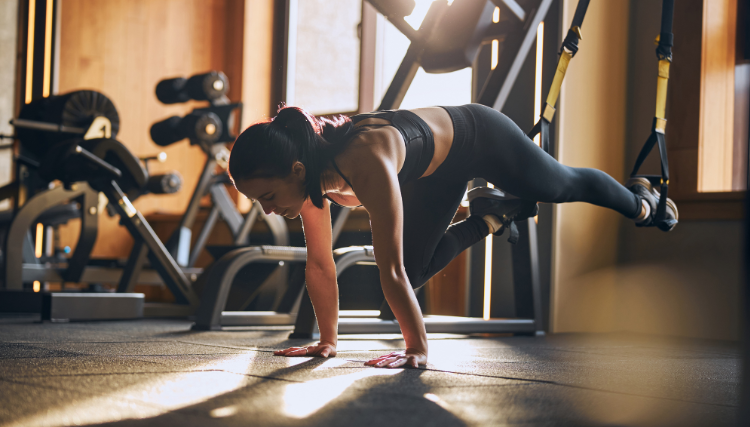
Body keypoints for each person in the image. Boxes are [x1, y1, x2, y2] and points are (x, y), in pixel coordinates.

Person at [227, 104, 677, 369]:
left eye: (267, 196)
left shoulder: (363, 161)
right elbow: (321, 266)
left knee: (560, 185)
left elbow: (392, 267)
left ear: (297, 171)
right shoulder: (307, 183)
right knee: (415, 275)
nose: (268, 210)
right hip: (432, 173)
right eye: (258, 203)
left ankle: (641, 201)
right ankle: (492, 217)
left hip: (478, 136)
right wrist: (328, 342)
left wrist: (416, 348)